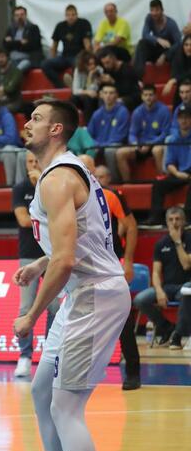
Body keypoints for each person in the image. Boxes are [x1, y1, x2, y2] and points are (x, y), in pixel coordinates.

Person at [14, 99, 131, 451]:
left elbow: (66, 260)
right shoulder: (68, 169)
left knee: (66, 406)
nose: (27, 123)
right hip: (85, 292)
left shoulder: (57, 179)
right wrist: (39, 262)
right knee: (42, 389)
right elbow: (76, 243)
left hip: (94, 294)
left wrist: (31, 315)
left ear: (56, 129)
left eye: (36, 118)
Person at [89, 163, 141, 389]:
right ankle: (86, 370)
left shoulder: (108, 196)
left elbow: (131, 226)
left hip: (111, 264)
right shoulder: (70, 199)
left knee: (124, 321)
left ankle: (132, 372)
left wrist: (127, 261)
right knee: (84, 318)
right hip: (88, 267)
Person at [12, 151, 60, 378]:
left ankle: (49, 357)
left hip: (52, 253)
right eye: (29, 162)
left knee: (54, 307)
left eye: (36, 161)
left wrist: (41, 184)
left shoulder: (52, 185)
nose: (33, 164)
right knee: (26, 307)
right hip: (29, 255)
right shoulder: (21, 189)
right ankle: (24, 356)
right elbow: (23, 220)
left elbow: (60, 217)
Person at [133, 207, 191, 350]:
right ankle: (166, 327)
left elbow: (186, 265)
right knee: (140, 299)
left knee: (186, 292)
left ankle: (178, 335)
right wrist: (159, 290)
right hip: (167, 287)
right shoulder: (161, 243)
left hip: (187, 286)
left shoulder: (189, 239)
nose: (174, 223)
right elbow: (156, 272)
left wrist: (177, 242)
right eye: (171, 220)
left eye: (177, 219)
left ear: (183, 221)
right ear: (166, 222)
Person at [109, 83, 168, 182]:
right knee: (120, 153)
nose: (148, 98)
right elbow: (132, 133)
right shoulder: (137, 112)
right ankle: (127, 183)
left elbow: (165, 133)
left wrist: (151, 143)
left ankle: (161, 180)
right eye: (145, 95)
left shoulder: (164, 110)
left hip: (156, 144)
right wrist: (135, 144)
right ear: (142, 96)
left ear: (155, 96)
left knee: (157, 150)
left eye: (150, 95)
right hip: (140, 145)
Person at [146, 108, 191, 227]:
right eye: (181, 118)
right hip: (180, 173)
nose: (184, 121)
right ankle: (156, 218)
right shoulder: (173, 139)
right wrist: (177, 173)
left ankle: (188, 219)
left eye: (186, 118)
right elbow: (169, 163)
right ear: (177, 120)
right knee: (158, 183)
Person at [42, 5, 93, 88]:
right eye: (68, 15)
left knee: (77, 64)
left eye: (73, 15)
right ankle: (60, 86)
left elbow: (87, 44)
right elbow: (54, 45)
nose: (71, 17)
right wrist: (53, 57)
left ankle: (77, 86)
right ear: (65, 16)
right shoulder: (60, 26)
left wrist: (88, 59)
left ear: (77, 15)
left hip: (79, 55)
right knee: (45, 64)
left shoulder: (84, 24)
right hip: (64, 56)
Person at [134, 0, 184, 77]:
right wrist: (158, 39)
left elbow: (179, 43)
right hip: (156, 48)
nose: (154, 13)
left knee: (178, 51)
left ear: (162, 10)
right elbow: (144, 34)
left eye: (157, 10)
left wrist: (165, 55)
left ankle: (174, 78)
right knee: (141, 43)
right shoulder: (149, 18)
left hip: (168, 51)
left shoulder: (171, 24)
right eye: (152, 10)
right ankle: (138, 77)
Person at [97, 47, 140, 111]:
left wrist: (112, 81)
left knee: (118, 102)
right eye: (104, 64)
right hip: (113, 95)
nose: (106, 66)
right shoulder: (107, 70)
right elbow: (104, 88)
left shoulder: (127, 69)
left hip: (130, 97)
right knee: (102, 98)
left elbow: (126, 90)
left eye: (107, 62)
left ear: (114, 58)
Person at [3, 6, 43, 72]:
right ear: (14, 17)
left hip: (28, 59)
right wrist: (20, 43)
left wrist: (12, 43)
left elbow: (32, 46)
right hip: (12, 60)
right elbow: (5, 44)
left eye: (22, 14)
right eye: (17, 15)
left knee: (17, 71)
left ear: (26, 15)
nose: (19, 17)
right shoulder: (11, 29)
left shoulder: (33, 28)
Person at [0, 49, 26, 115]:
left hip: (13, 102)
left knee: (0, 111)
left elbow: (11, 89)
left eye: (2, 57)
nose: (0, 59)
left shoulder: (15, 71)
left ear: (7, 57)